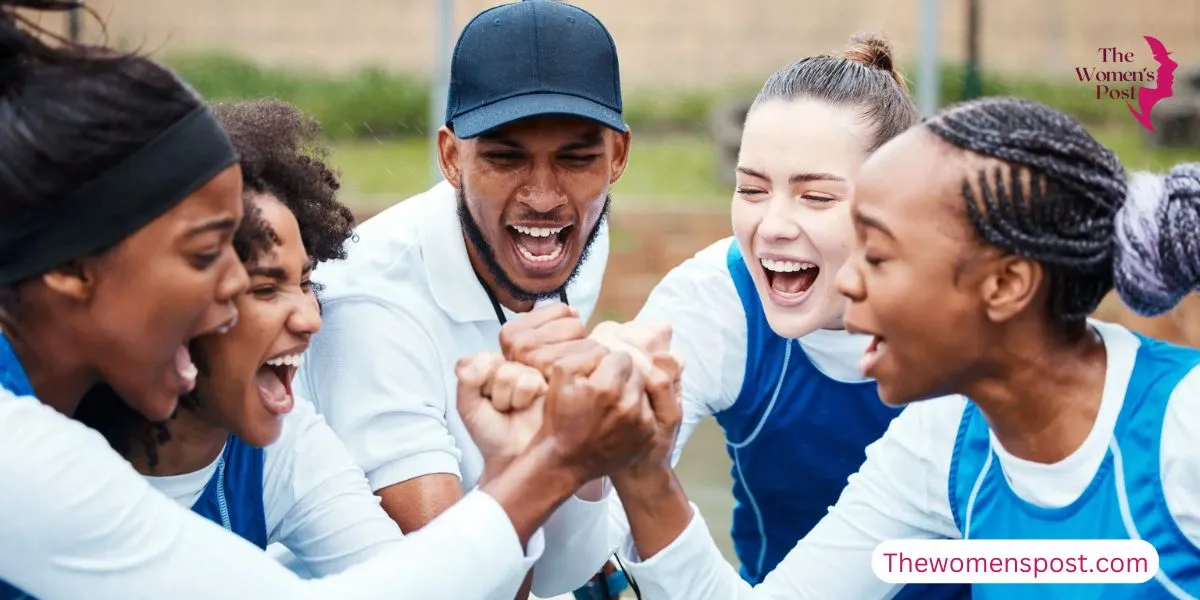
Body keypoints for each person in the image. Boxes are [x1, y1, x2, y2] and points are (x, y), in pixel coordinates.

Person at [0, 3, 662, 598]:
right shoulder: (22, 456)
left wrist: (533, 468)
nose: (229, 295)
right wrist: (549, 462)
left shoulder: (281, 440)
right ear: (74, 270)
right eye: (207, 257)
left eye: (301, 281)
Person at [604, 98, 1200, 598]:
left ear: (1006, 284)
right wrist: (644, 473)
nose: (850, 279)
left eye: (880, 255)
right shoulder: (940, 442)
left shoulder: (1181, 428)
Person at [601, 35, 965, 600]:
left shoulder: (972, 336)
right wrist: (585, 448)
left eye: (816, 197)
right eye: (751, 188)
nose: (771, 225)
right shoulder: (715, 301)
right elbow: (596, 537)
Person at [296, 0, 629, 596]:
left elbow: (558, 573)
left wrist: (581, 465)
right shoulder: (368, 305)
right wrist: (552, 458)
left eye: (578, 159)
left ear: (618, 158)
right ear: (451, 157)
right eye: (504, 158)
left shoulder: (566, 246)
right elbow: (458, 588)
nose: (546, 197)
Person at [74, 99, 409, 577]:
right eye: (266, 288)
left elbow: (394, 584)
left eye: (306, 282)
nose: (310, 318)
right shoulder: (47, 447)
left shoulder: (282, 442)